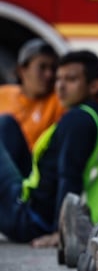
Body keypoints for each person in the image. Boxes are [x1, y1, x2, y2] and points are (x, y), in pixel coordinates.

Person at [0, 50, 98, 246]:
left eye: (71, 79)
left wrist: (61, 233)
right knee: (7, 124)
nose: (60, 86)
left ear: (93, 86)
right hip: (66, 212)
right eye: (59, 78)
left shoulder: (76, 120)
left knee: (4, 124)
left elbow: (69, 177)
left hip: (32, 220)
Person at [0, 38, 64, 177]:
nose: (49, 74)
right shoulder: (3, 94)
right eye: (42, 67)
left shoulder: (58, 100)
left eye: (53, 69)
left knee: (7, 124)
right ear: (22, 70)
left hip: (32, 173)